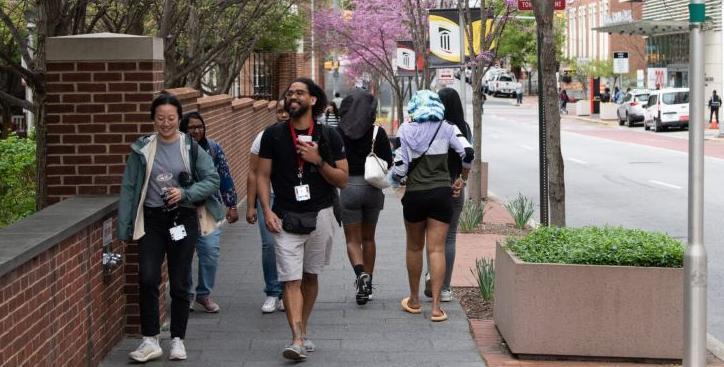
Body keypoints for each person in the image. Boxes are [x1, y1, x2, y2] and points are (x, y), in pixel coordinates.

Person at [118, 94, 222, 362]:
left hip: (182, 218)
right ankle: (150, 339)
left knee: (180, 281)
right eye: (160, 118)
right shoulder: (142, 148)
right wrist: (124, 227)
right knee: (148, 277)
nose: (165, 123)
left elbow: (212, 180)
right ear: (153, 119)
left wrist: (185, 193)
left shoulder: (190, 147)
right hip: (152, 220)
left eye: (171, 118)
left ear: (179, 119)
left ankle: (178, 339)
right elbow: (129, 188)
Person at [257, 78, 348, 361]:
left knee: (310, 275)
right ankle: (296, 338)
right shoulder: (272, 135)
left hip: (321, 213)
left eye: (299, 92)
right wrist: (267, 210)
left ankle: (304, 328)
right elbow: (261, 175)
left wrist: (317, 160)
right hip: (284, 215)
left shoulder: (329, 136)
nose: (292, 96)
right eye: (289, 93)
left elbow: (343, 179)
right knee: (290, 278)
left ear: (313, 100)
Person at [389, 90, 472, 323]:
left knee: (414, 248)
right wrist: (461, 179)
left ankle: (414, 301)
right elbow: (468, 152)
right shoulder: (447, 128)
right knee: (436, 249)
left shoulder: (405, 130)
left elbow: (400, 168)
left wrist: (396, 180)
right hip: (441, 194)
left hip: (415, 195)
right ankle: (436, 308)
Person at [336, 89, 393, 305]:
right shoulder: (377, 132)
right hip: (372, 190)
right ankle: (368, 286)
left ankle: (360, 275)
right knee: (369, 238)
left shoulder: (338, 132)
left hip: (348, 188)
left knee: (353, 240)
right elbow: (388, 160)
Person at [179, 111, 238, 313]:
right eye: (191, 128)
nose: (196, 131)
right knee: (182, 254)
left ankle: (203, 294)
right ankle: (186, 294)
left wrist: (231, 204)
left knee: (210, 252)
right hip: (181, 211)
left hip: (208, 210)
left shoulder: (212, 148)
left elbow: (224, 176)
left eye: (199, 127)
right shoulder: (175, 149)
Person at [422, 87, 472, 303]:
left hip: (431, 186)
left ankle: (432, 277)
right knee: (449, 237)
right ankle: (444, 288)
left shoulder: (430, 127)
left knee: (431, 238)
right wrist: (463, 178)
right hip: (454, 187)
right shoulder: (463, 128)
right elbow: (469, 155)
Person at [247, 99, 289, 313]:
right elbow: (253, 172)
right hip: (268, 199)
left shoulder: (303, 136)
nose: (283, 115)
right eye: (280, 111)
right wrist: (251, 205)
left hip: (292, 200)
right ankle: (273, 292)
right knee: (269, 245)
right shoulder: (264, 137)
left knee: (289, 246)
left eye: (286, 111)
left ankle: (287, 292)